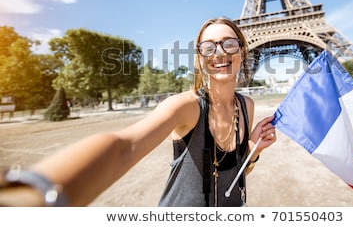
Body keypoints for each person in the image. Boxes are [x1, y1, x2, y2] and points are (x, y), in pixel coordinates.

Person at [0, 17, 276, 207]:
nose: (220, 52)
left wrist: (253, 147)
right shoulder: (185, 106)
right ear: (199, 58)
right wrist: (33, 191)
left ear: (242, 50)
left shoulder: (246, 106)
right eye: (208, 47)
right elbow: (125, 146)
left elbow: (233, 175)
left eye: (229, 43)